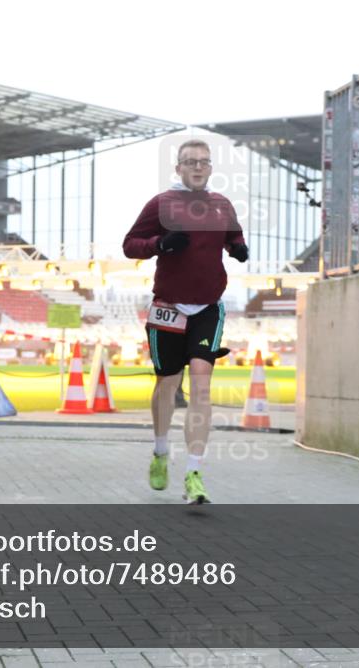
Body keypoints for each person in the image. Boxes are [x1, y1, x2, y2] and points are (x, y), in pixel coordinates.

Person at [123, 139, 248, 504]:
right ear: (178, 168)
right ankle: (161, 451)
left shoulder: (221, 205)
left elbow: (233, 234)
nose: (197, 167)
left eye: (203, 162)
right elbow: (130, 244)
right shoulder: (162, 203)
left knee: (201, 380)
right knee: (167, 382)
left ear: (210, 168)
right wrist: (160, 244)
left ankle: (194, 472)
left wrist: (237, 247)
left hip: (208, 306)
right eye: (190, 162)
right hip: (169, 306)